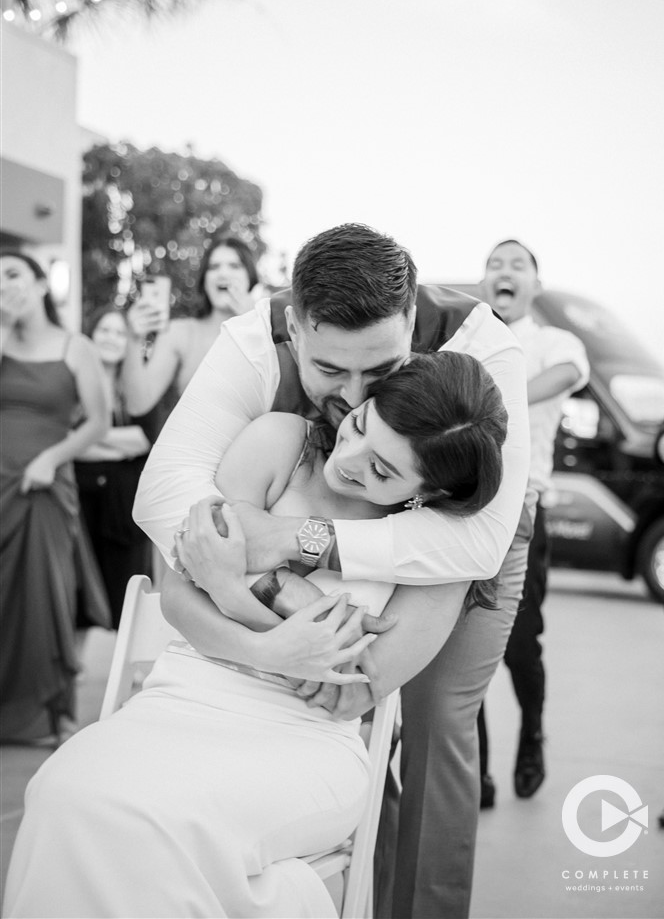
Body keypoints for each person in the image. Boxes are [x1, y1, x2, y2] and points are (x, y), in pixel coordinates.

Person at [3, 351, 510, 919]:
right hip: (182, 696)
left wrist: (233, 587)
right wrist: (277, 635)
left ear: (432, 493)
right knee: (62, 792)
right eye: (362, 425)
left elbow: (348, 687)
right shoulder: (281, 442)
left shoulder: (444, 549)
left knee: (156, 823)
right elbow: (179, 591)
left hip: (305, 738)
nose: (350, 460)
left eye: (384, 472)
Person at [132, 222, 533, 919]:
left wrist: (290, 543)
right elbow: (167, 498)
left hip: (463, 525)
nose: (350, 396)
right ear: (295, 327)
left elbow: (476, 545)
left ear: (410, 320)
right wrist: (272, 602)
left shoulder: (486, 344)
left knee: (433, 722)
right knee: (331, 713)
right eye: (328, 371)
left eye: (378, 374)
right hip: (304, 489)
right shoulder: (253, 344)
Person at [476, 239, 589, 807]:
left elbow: (569, 372)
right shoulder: (469, 340)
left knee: (521, 642)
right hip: (467, 504)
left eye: (518, 265)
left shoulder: (551, 341)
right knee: (460, 640)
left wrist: (487, 391)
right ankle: (477, 772)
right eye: (496, 264)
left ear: (534, 286)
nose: (506, 272)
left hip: (524, 507)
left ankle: (532, 736)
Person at [0, 250, 111, 745]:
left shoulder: (75, 346)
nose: (7, 285)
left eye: (13, 274)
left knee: (41, 594)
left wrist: (51, 458)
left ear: (42, 284)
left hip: (41, 487)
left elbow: (98, 421)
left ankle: (43, 716)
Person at [74, 306, 156, 629]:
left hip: (124, 504)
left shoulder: (139, 385)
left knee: (127, 594)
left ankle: (132, 675)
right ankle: (74, 674)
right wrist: (116, 443)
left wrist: (90, 434)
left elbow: (143, 439)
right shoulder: (74, 382)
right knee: (78, 596)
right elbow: (66, 443)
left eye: (120, 332)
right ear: (90, 336)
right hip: (82, 501)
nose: (111, 338)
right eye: (104, 330)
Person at [121, 233, 259, 418]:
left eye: (234, 266)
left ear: (250, 277)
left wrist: (253, 325)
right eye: (213, 267)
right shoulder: (179, 332)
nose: (223, 273)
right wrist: (134, 338)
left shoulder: (267, 330)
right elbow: (137, 405)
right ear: (205, 281)